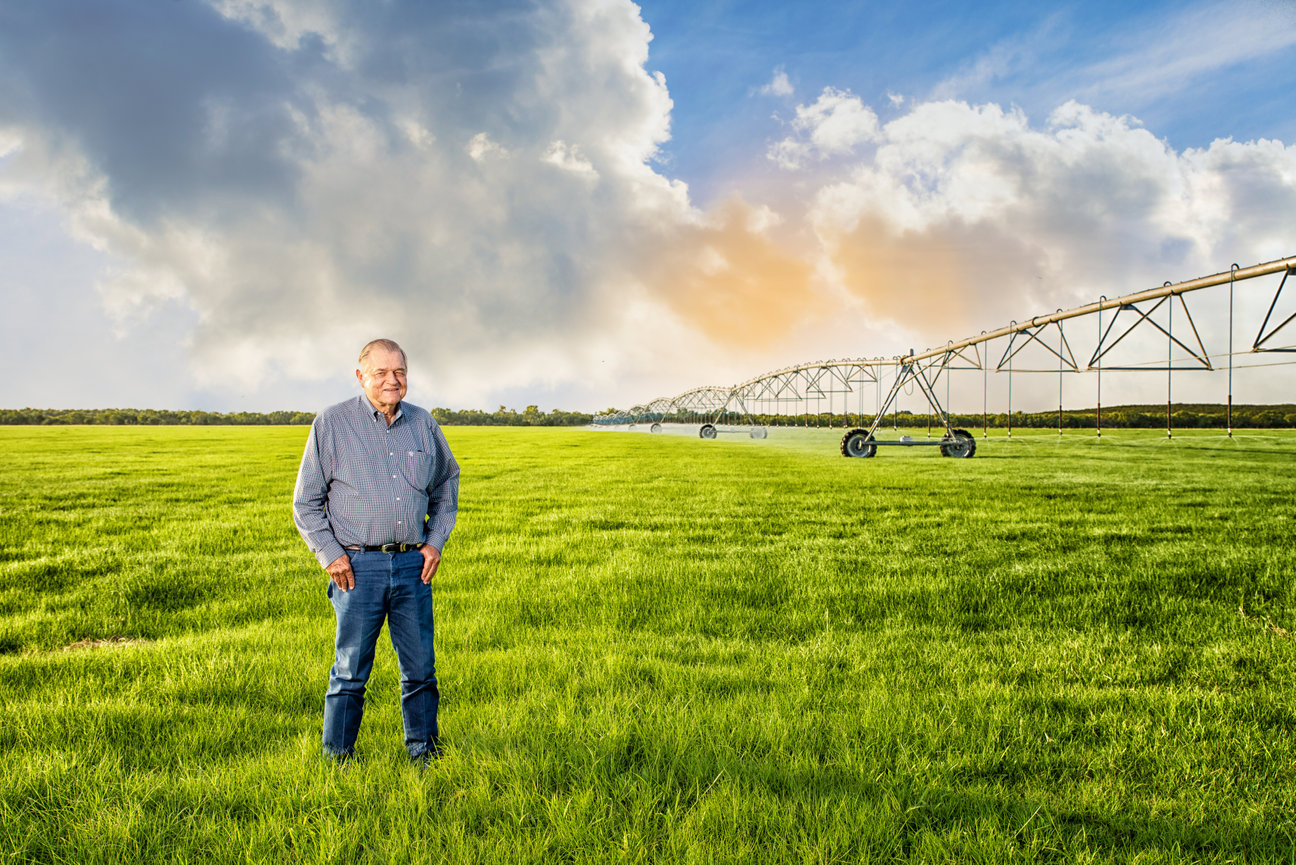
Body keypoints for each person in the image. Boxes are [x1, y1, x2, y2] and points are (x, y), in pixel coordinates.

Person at [292, 338, 460, 763]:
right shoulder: (332, 424)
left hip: (411, 565)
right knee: (350, 671)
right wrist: (330, 554)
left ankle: (424, 754)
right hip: (356, 567)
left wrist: (434, 542)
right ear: (360, 376)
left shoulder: (423, 424)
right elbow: (306, 503)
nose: (392, 380)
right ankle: (338, 759)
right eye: (381, 372)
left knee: (420, 670)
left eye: (399, 371)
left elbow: (446, 484)